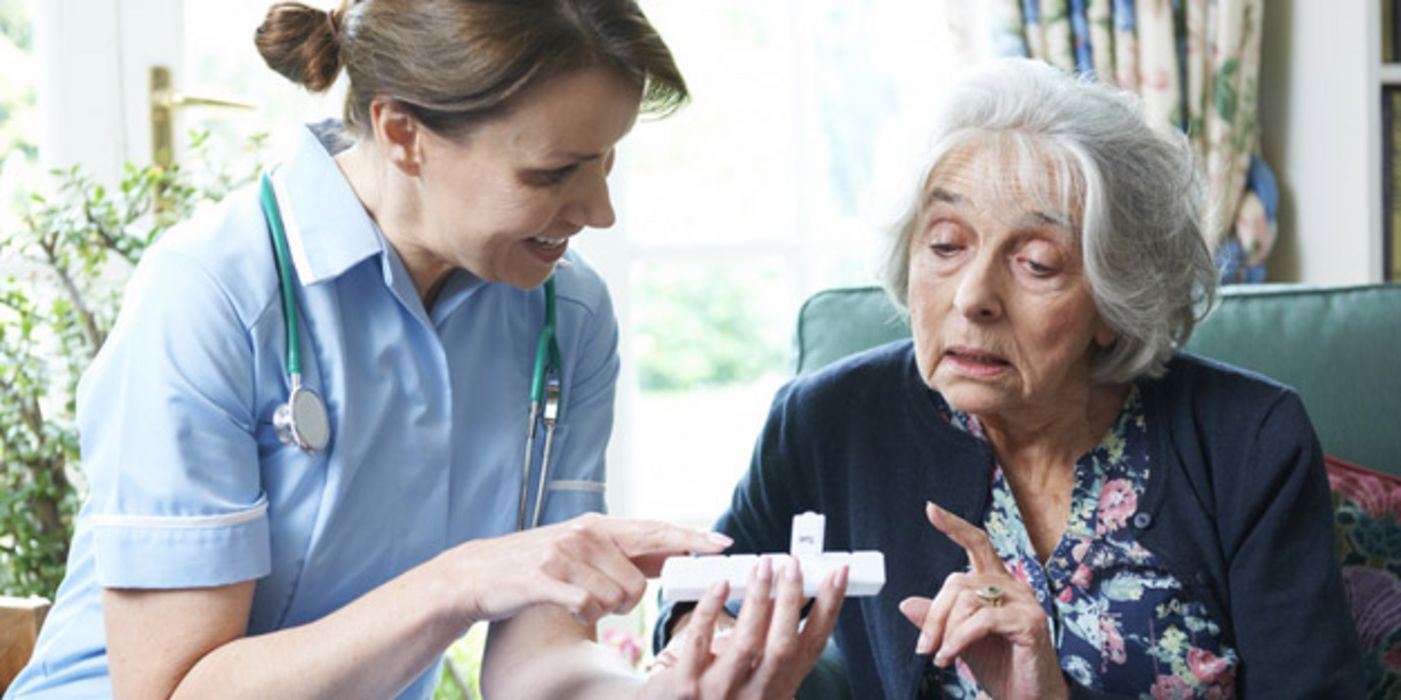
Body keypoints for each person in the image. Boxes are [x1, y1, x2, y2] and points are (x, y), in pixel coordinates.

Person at [4, 2, 846, 699]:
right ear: (401, 133)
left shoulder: (566, 312)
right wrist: (462, 582)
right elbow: (172, 691)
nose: (598, 210)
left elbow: (538, 657)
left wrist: (661, 693)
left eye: (605, 163)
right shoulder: (211, 292)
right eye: (554, 173)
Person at [654, 58, 1363, 698]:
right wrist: (702, 639)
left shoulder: (1248, 440)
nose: (972, 297)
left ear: (1113, 304)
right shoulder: (829, 421)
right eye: (944, 245)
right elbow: (706, 589)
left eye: (1037, 263)